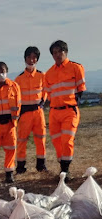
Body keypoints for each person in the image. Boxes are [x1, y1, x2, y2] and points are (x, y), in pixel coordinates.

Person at [44, 40, 86, 180]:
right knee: (57, 141)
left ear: (65, 52)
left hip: (70, 110)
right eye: (54, 53)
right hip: (54, 111)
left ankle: (65, 170)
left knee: (67, 140)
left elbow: (80, 89)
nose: (57, 55)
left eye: (59, 51)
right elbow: (49, 94)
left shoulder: (76, 67)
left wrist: (73, 103)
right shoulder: (48, 74)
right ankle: (62, 165)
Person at [15, 47, 48, 174]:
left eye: (34, 57)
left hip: (38, 112)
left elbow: (45, 90)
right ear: (25, 59)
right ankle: (21, 166)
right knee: (22, 140)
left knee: (40, 139)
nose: (31, 60)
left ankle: (41, 165)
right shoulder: (19, 79)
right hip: (24, 113)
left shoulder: (42, 75)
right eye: (29, 57)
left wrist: (42, 102)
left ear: (37, 60)